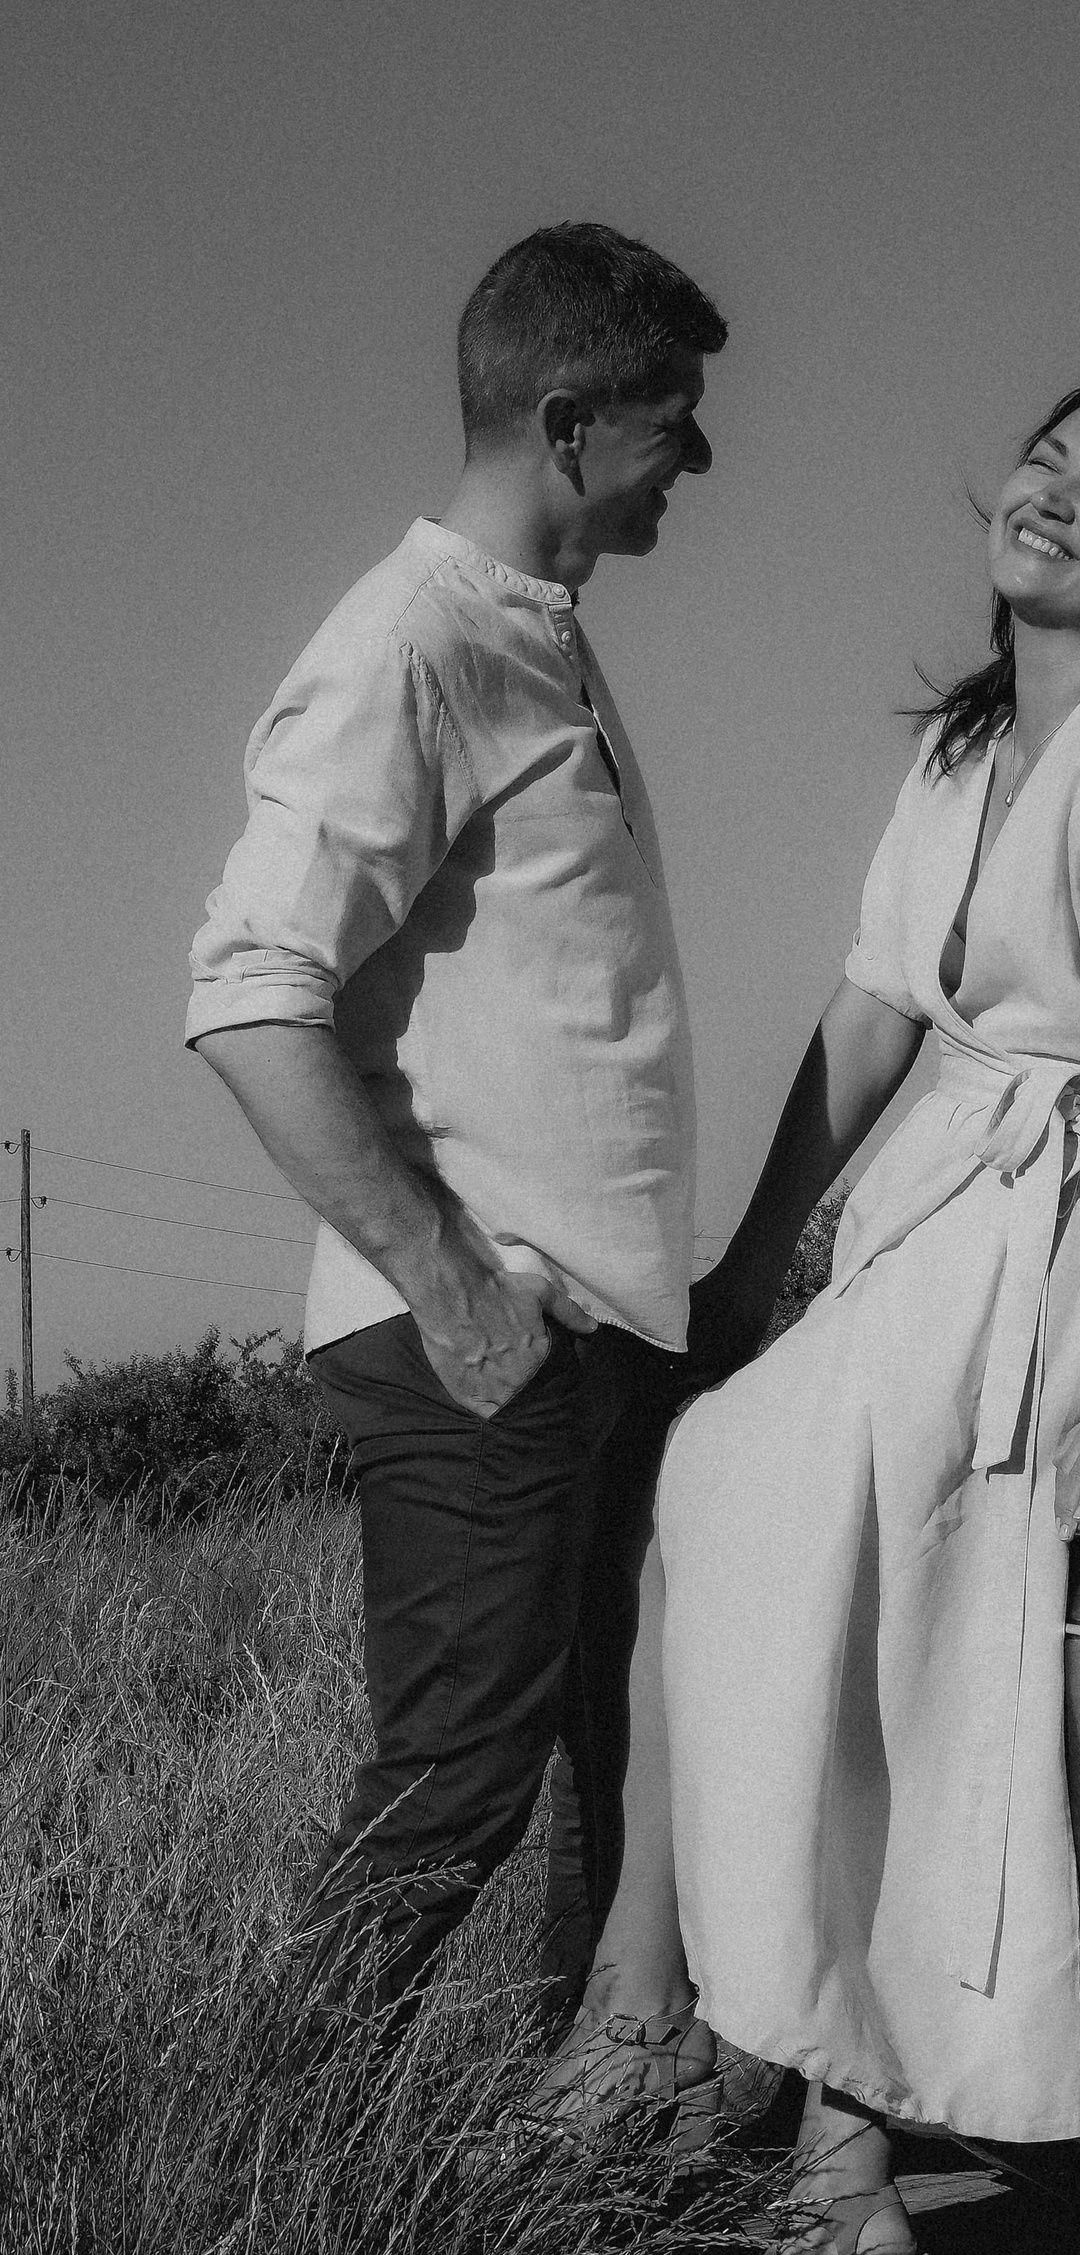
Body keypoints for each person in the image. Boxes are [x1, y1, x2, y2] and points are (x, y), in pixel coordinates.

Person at [556, 373, 1080, 2255]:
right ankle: (820, 2156)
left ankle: (668, 2023)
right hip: (937, 1211)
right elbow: (868, 1022)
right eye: (1047, 458)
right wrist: (749, 1274)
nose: (1054, 494)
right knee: (818, 1587)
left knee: (756, 1516)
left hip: (1049, 1245)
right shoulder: (974, 744)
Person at [184, 222, 726, 2026]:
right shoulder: (413, 645)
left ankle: (596, 2157)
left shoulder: (538, 641)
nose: (698, 454)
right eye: (673, 416)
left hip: (594, 1333)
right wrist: (455, 1289)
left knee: (611, 1780)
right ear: (569, 422)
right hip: (482, 1341)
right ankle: (268, 2156)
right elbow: (249, 994)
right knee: (456, 1784)